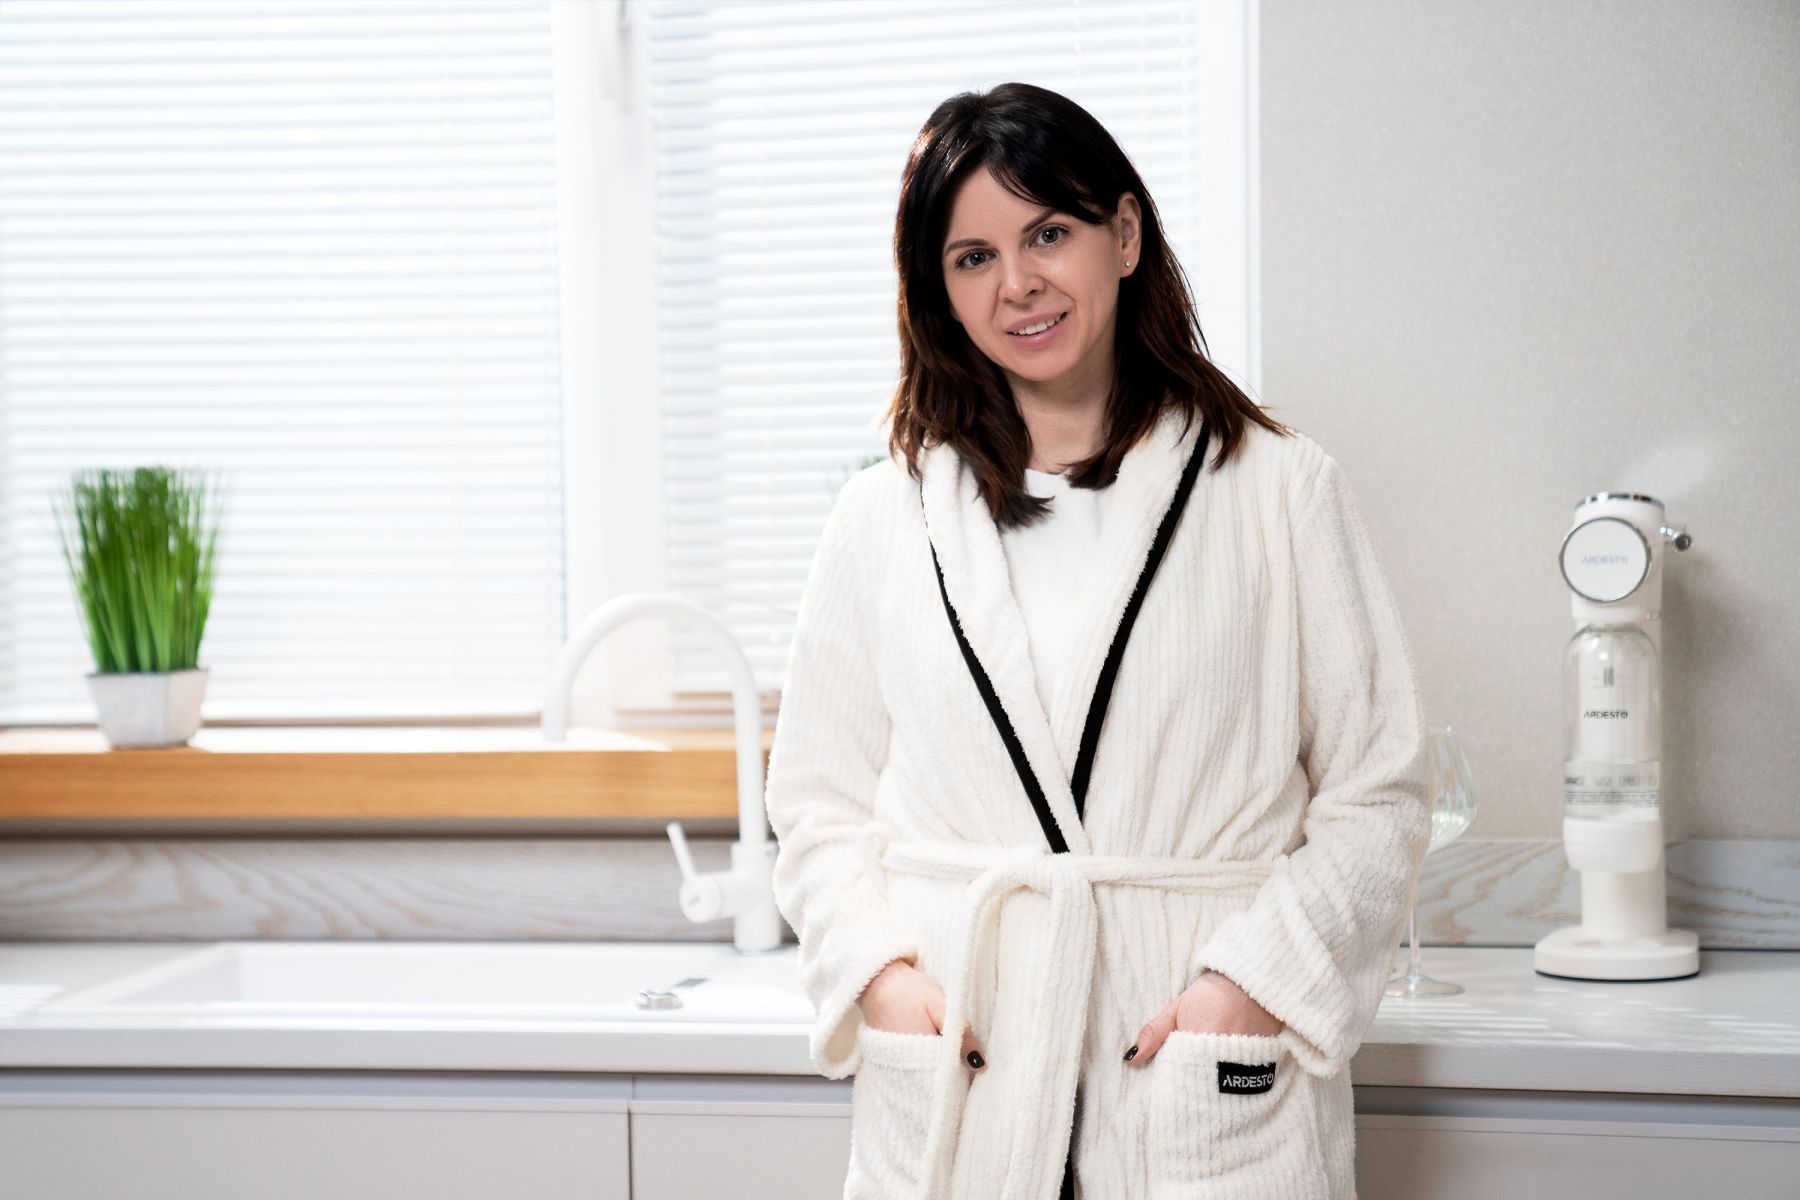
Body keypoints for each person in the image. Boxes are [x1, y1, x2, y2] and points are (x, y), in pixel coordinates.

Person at [764, 81, 1431, 1200]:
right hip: (964, 1075)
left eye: (1048, 235)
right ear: (939, 290)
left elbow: (1380, 792)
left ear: (1123, 236)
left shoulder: (1280, 493)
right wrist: (881, 979)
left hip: (1193, 1077)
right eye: (973, 257)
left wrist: (1251, 988)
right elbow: (816, 804)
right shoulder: (882, 519)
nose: (1017, 283)